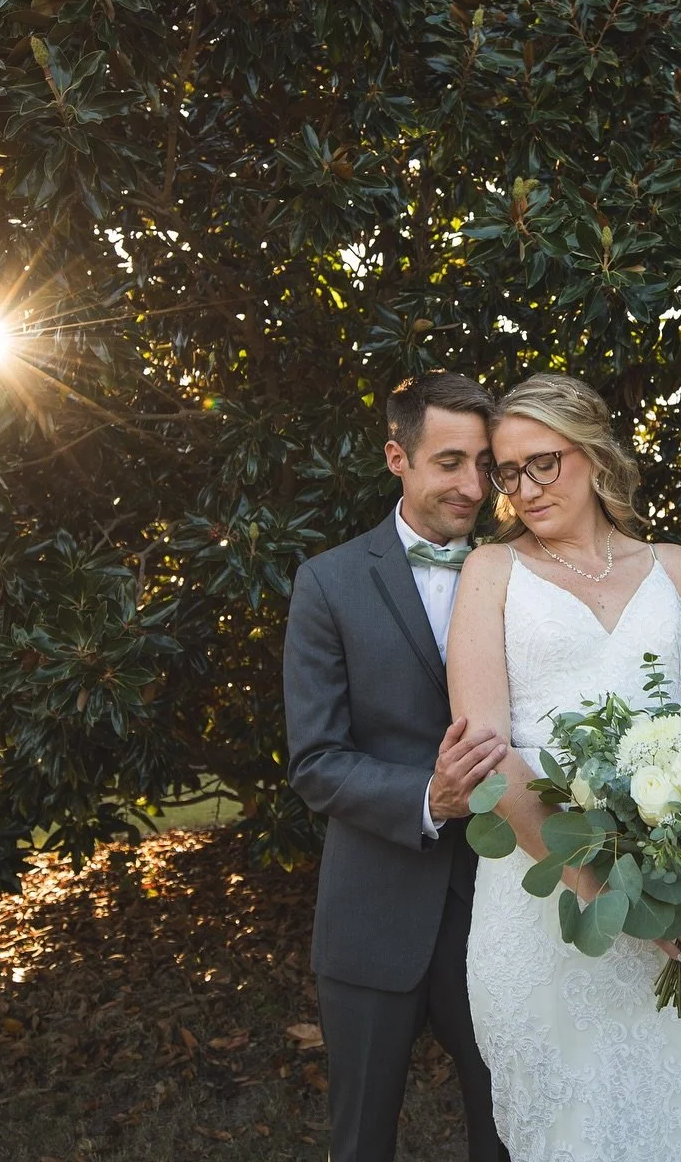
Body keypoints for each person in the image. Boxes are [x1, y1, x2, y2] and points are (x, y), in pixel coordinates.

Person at [447, 372, 681, 1160]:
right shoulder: (491, 571)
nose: (523, 488)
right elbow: (486, 754)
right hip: (547, 904)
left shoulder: (675, 566)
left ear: (592, 451)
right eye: (507, 473)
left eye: (541, 462)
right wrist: (605, 892)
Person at [284, 372, 509, 1162]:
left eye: (485, 463)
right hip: (372, 911)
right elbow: (315, 760)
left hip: (501, 912)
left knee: (511, 1131)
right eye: (450, 462)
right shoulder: (330, 582)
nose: (473, 485)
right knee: (362, 1144)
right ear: (397, 458)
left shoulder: (522, 575)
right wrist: (430, 797)